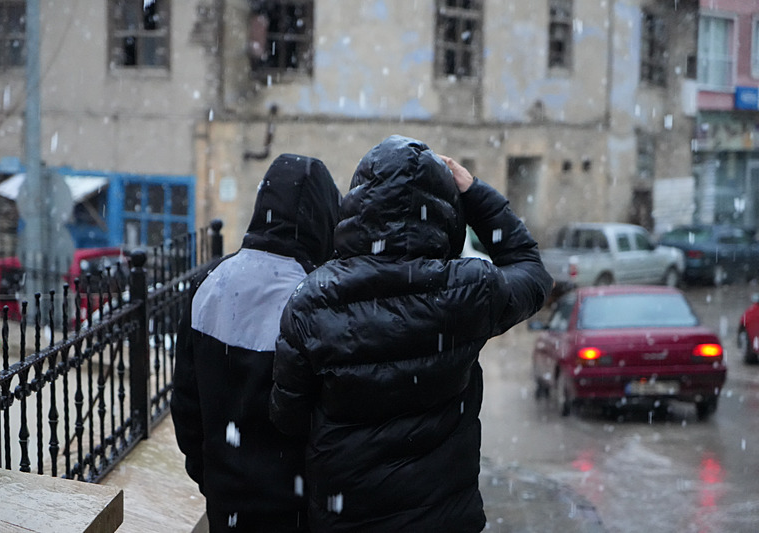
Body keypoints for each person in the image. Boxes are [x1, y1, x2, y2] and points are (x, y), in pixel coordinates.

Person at [269, 135, 553, 532]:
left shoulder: (313, 301)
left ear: (357, 207)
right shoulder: (471, 291)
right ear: (446, 212)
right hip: (442, 518)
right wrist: (474, 193)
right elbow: (531, 269)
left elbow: (288, 415)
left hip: (348, 516)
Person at [171, 153, 342, 532]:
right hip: (296, 515)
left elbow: (186, 405)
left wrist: (213, 480)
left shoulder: (209, 285)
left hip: (226, 505)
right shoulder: (317, 300)